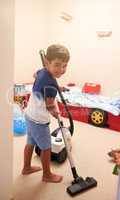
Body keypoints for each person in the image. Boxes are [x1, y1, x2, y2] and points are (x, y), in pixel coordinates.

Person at [22, 44, 70, 183]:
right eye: (57, 65)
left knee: (30, 142)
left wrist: (55, 85)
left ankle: (26, 167)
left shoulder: (42, 71)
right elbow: (50, 106)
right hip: (39, 121)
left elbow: (35, 75)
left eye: (65, 65)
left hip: (29, 115)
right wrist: (57, 113)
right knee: (46, 148)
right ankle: (47, 175)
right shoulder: (50, 86)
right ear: (47, 62)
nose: (61, 70)